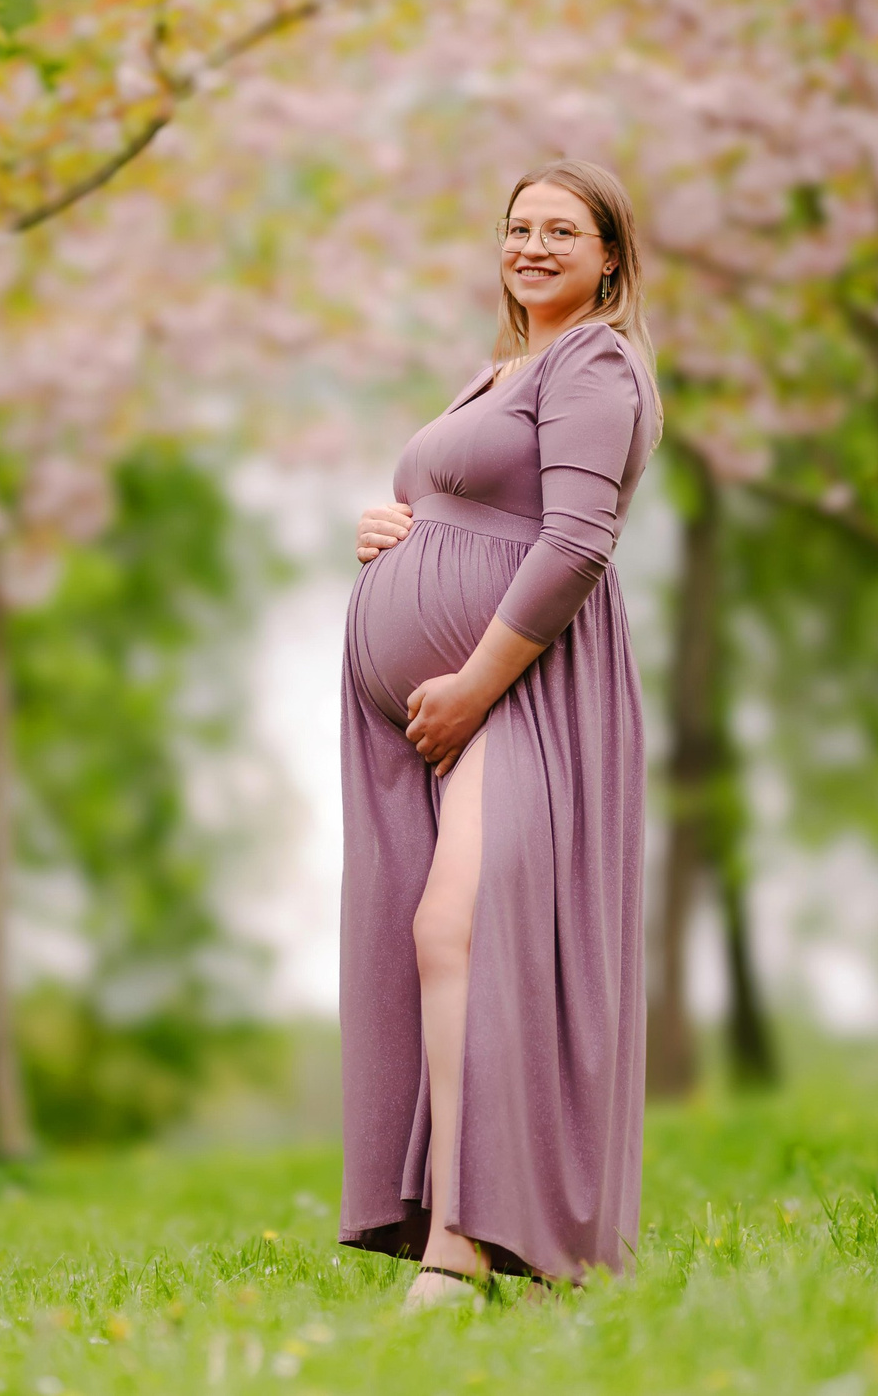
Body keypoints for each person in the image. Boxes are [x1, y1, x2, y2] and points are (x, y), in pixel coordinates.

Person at [339, 158, 662, 1307]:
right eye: (518, 227)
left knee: (460, 928)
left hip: (520, 686)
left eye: (561, 231)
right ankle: (459, 1230)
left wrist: (475, 683)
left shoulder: (594, 362)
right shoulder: (503, 370)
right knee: (435, 939)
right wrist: (392, 525)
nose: (531, 246)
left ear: (609, 257)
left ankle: (464, 1244)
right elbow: (470, 501)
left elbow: (575, 542)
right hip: (444, 701)